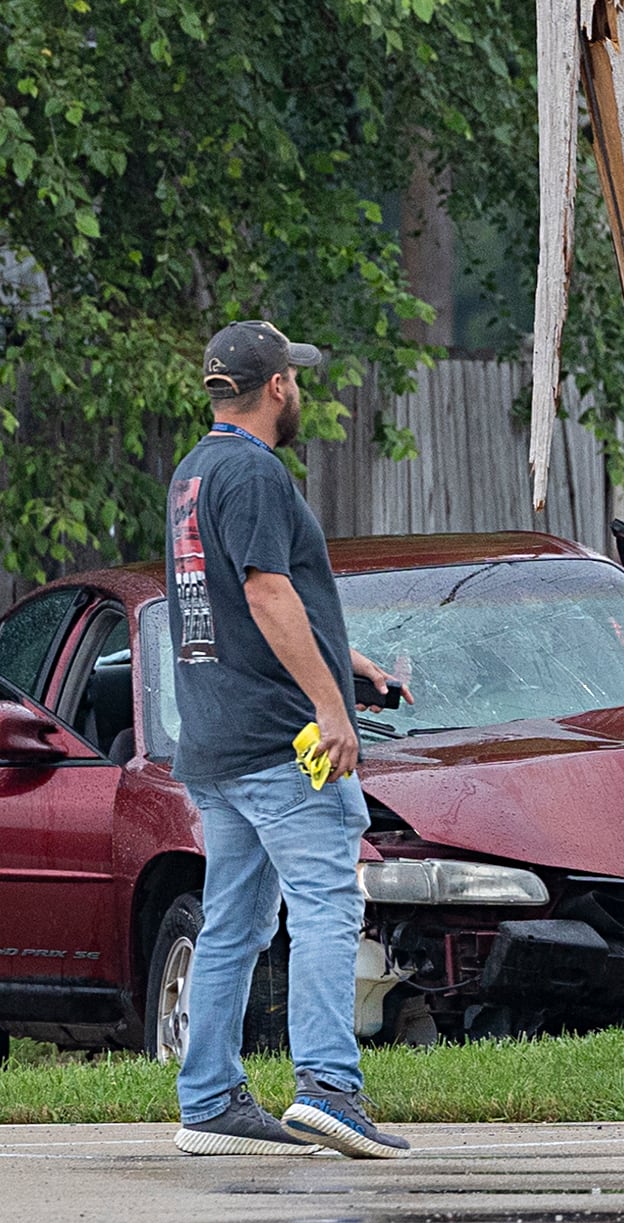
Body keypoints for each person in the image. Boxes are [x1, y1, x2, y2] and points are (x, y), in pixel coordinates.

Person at [165, 319, 410, 1158]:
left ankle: (208, 1100)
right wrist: (331, 709)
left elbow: (245, 605)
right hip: (279, 742)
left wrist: (351, 662)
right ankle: (329, 1087)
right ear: (276, 388)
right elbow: (268, 596)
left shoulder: (194, 473)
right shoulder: (257, 473)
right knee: (327, 903)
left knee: (234, 920)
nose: (300, 389)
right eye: (294, 379)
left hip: (214, 738)